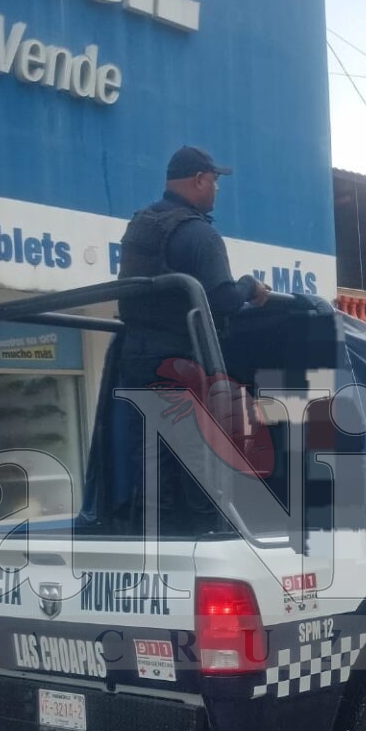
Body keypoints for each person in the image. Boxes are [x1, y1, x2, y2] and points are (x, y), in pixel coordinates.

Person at [110, 147, 269, 524]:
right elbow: (225, 301)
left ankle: (153, 540)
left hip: (136, 361)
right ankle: (206, 535)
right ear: (199, 180)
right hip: (179, 361)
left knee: (150, 460)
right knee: (200, 460)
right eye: (214, 182)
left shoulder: (140, 226)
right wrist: (251, 286)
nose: (216, 190)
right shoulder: (199, 234)